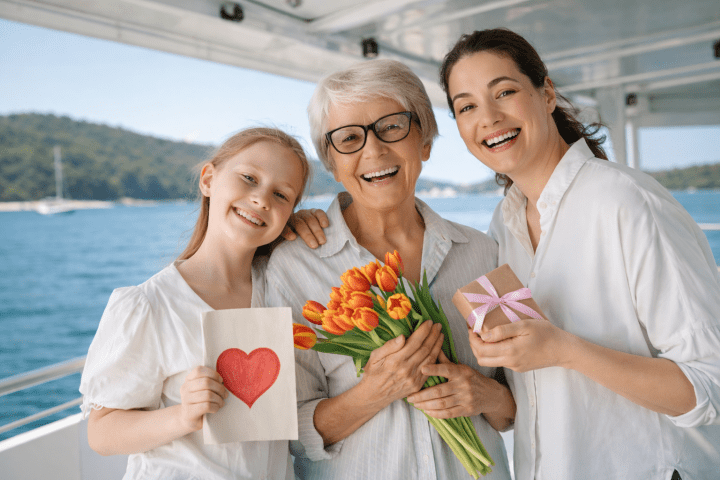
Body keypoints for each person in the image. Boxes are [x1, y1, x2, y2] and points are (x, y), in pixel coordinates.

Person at [439, 28, 720, 479]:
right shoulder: (502, 226)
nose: (487, 117)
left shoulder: (626, 201)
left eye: (504, 92)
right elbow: (539, 395)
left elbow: (708, 387)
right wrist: (488, 385)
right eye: (466, 106)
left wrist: (566, 350)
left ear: (546, 93)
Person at [265, 59, 514, 480]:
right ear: (331, 162)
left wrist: (486, 394)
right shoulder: (293, 266)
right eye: (348, 138)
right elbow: (286, 432)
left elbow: (517, 406)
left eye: (393, 126)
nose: (374, 150)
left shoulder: (482, 252)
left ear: (426, 142)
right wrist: (375, 391)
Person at [79, 127, 311, 480]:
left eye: (281, 195)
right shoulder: (150, 305)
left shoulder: (283, 293)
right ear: (208, 179)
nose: (262, 199)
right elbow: (101, 433)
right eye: (249, 178)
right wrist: (183, 415)